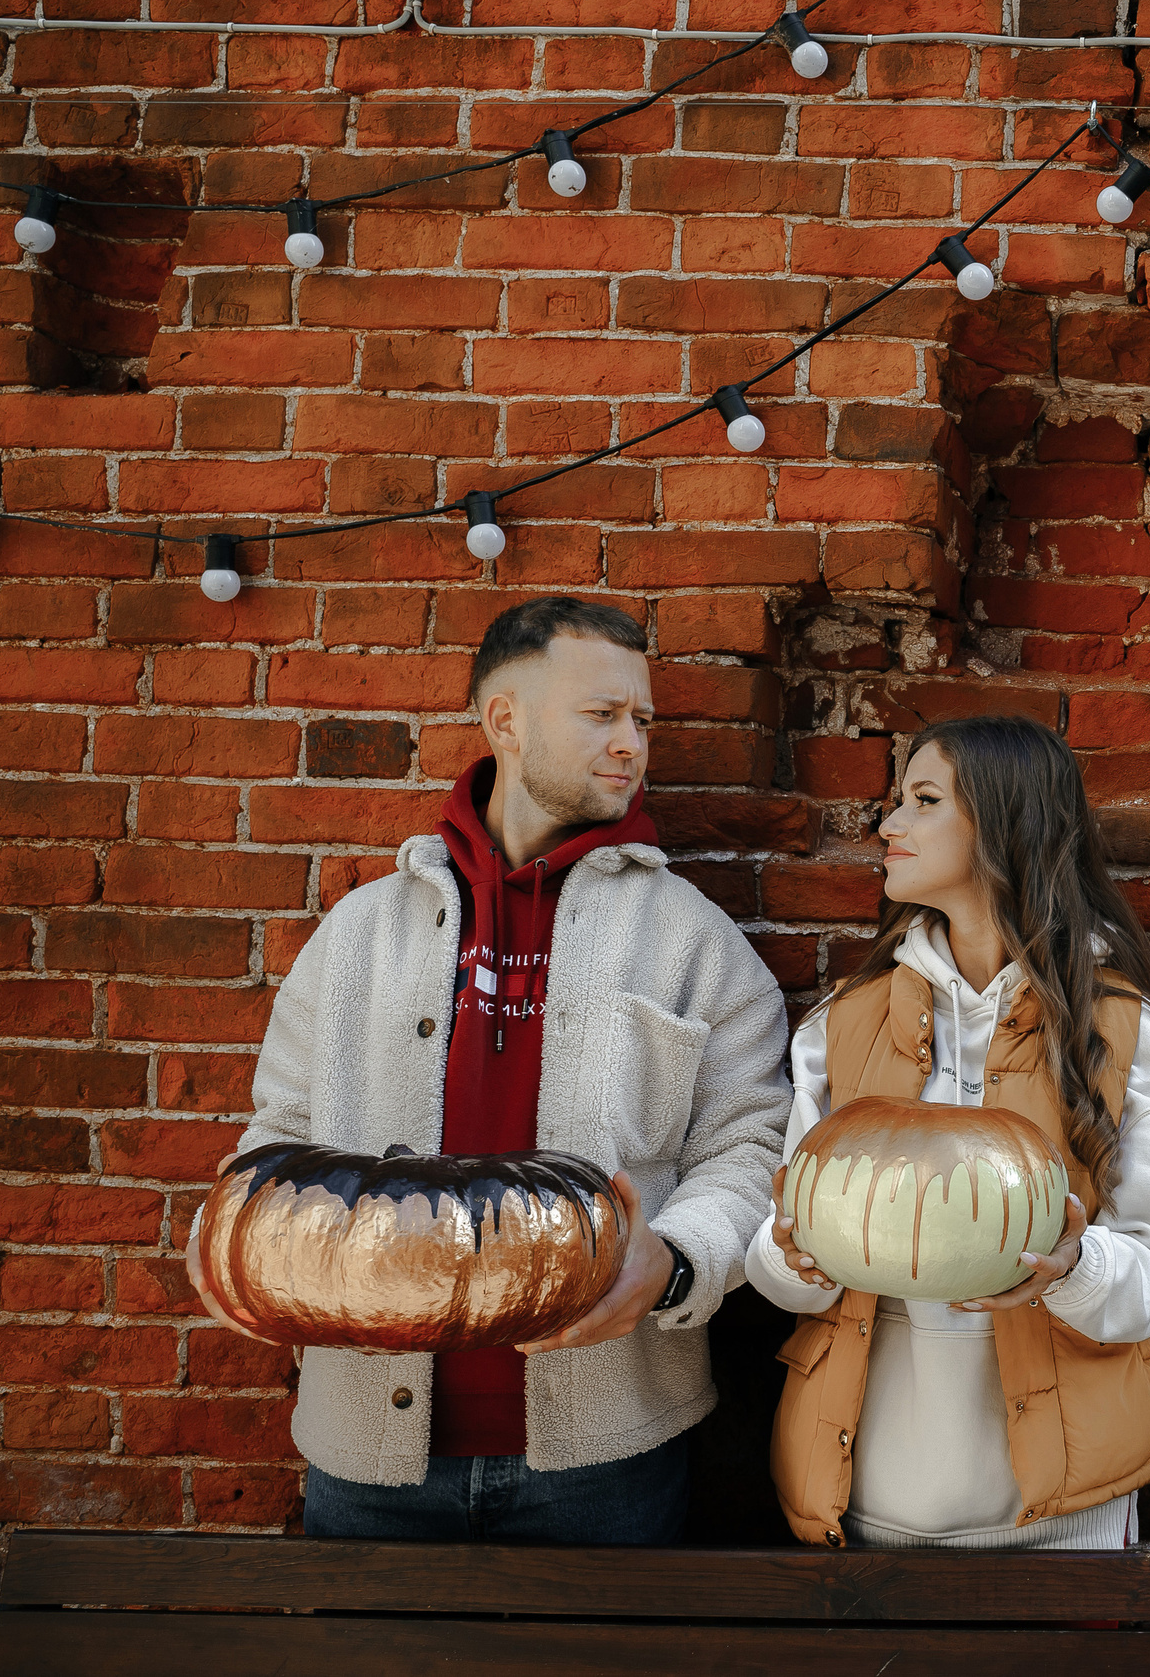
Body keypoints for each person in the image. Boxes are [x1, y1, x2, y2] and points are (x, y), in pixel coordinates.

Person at [193, 596, 790, 1543]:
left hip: (609, 1455)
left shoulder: (695, 943)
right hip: (367, 1452)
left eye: (643, 720)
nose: (631, 743)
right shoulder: (360, 934)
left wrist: (673, 1261)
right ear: (504, 719)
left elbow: (752, 1149)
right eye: (602, 715)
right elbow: (277, 1142)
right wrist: (246, 1251)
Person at [753, 716, 1150, 1550]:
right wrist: (790, 1255)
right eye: (898, 802)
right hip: (864, 1501)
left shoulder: (1117, 1029)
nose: (889, 826)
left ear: (1005, 825)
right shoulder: (842, 1026)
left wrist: (1071, 1268)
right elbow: (779, 1265)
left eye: (923, 801)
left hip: (1063, 1512)